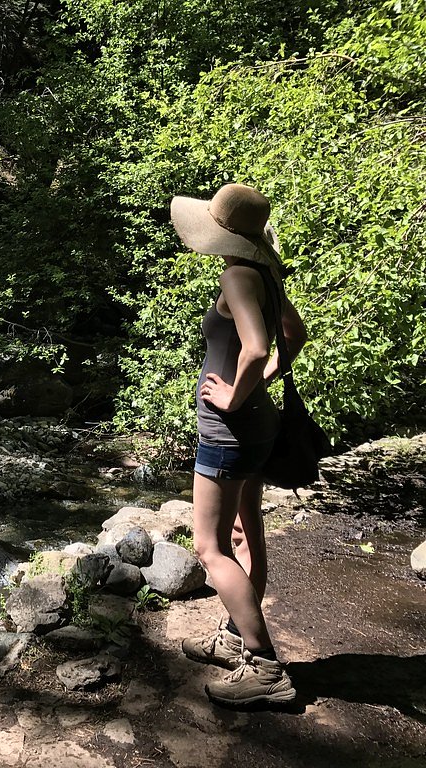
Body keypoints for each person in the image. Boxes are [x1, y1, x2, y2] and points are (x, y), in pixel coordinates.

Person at [169, 183, 308, 706]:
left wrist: (232, 396)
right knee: (246, 531)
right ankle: (234, 639)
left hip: (228, 432)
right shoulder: (264, 275)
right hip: (256, 425)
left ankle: (266, 668)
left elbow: (256, 348)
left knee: (209, 548)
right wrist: (259, 388)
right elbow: (295, 334)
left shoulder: (235, 275)